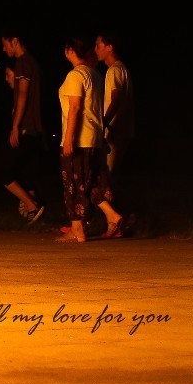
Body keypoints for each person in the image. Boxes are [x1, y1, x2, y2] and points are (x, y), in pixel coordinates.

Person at [55, 37, 124, 243]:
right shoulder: (94, 74)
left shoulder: (75, 75)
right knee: (92, 181)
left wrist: (69, 139)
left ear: (70, 50)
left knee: (74, 184)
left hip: (80, 138)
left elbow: (75, 107)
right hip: (94, 137)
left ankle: (77, 230)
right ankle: (112, 215)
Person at [0, 31, 47, 223]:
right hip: (35, 129)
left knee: (1, 169)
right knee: (25, 170)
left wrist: (15, 126)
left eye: (5, 44)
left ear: (15, 41)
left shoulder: (23, 63)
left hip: (27, 128)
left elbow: (23, 96)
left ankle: (32, 205)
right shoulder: (32, 63)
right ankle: (33, 204)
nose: (4, 49)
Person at [95, 31, 135, 237]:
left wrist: (103, 122)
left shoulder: (115, 70)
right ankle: (119, 218)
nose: (96, 50)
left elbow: (116, 98)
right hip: (122, 129)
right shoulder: (120, 69)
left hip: (115, 132)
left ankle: (122, 215)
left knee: (106, 178)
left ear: (109, 47)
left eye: (99, 45)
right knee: (109, 176)